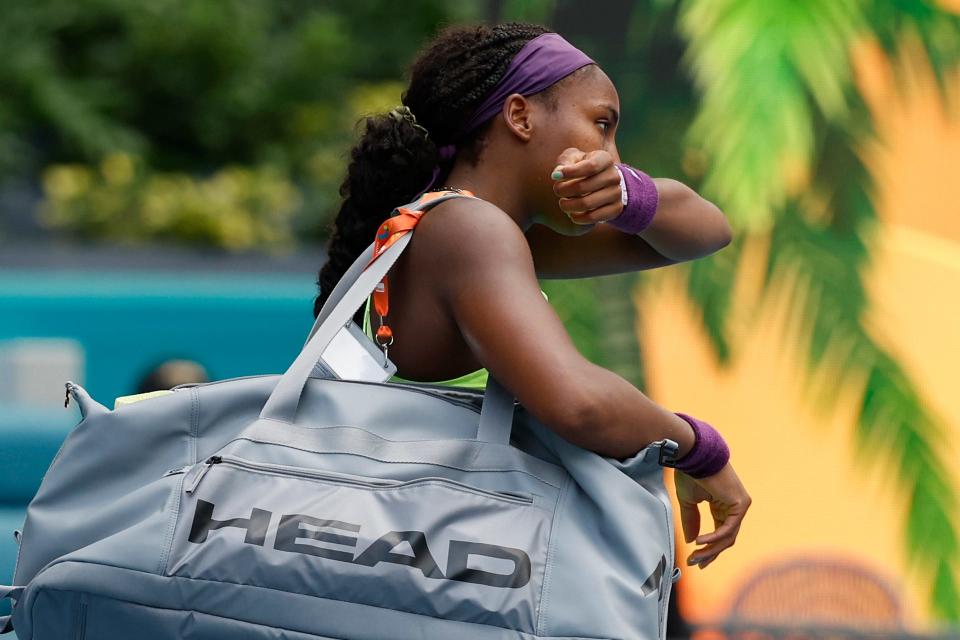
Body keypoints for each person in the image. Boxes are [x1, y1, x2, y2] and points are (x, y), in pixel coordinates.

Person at [314, 22, 751, 575]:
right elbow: (579, 403)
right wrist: (698, 447)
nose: (609, 152)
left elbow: (708, 231)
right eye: (601, 124)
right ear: (520, 117)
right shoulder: (470, 231)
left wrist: (627, 193)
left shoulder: (463, 228)